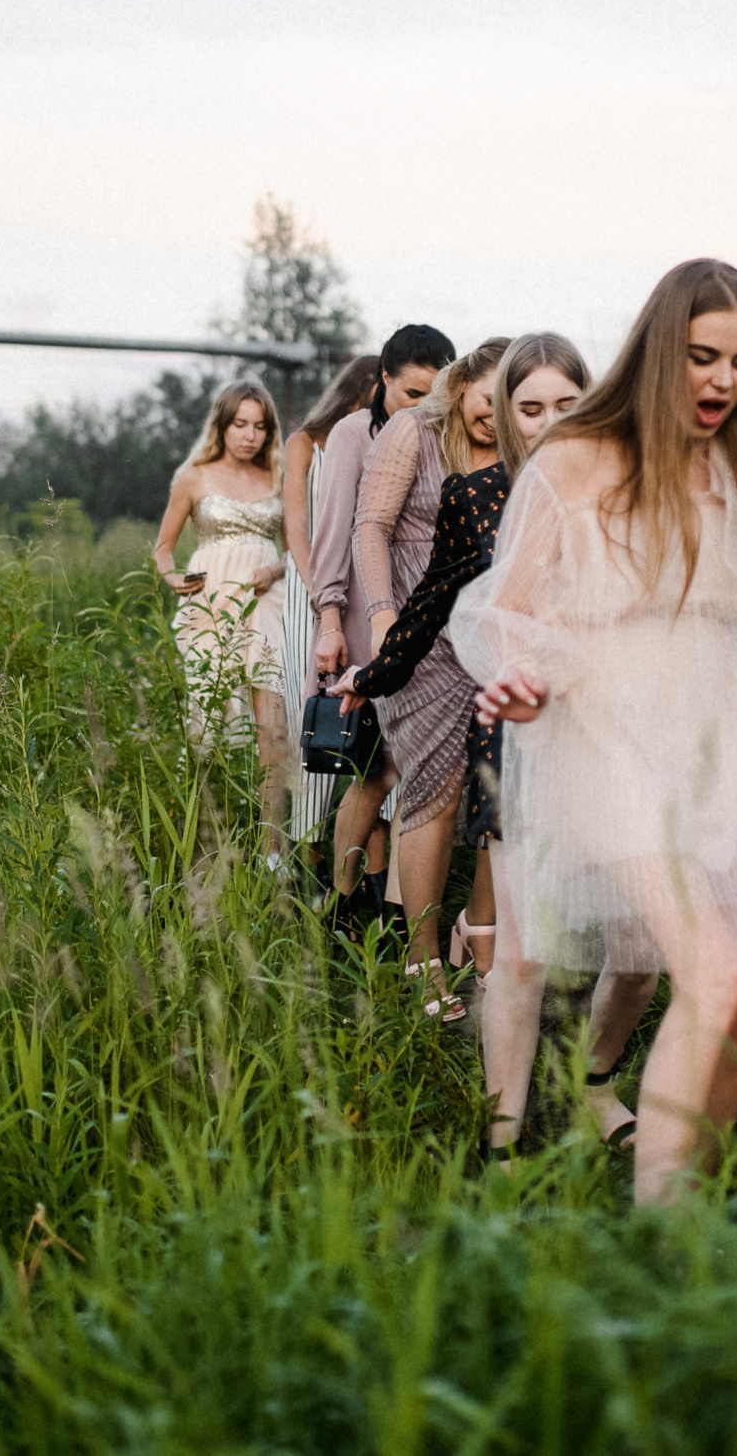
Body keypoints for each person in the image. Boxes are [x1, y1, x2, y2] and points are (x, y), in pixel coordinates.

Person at [453, 260, 737, 1203]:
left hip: (708, 756)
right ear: (661, 349)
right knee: (712, 978)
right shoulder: (579, 459)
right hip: (607, 751)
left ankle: (689, 1193)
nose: (722, 382)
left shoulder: (730, 466)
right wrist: (526, 684)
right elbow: (506, 611)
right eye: (703, 357)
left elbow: (733, 621)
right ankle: (666, 1234)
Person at [339, 332, 655, 1153]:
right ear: (507, 418)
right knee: (516, 954)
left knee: (636, 940)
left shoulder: (627, 493)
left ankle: (593, 1082)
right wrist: (370, 674)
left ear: (590, 403)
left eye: (565, 404)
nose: (550, 422)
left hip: (610, 736)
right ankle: (503, 1141)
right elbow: (437, 598)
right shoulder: (476, 496)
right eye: (530, 407)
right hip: (515, 737)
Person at [338, 336, 510, 1019]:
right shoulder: (415, 431)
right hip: (420, 627)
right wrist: (381, 616)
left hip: (495, 636)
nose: (495, 416)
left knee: (503, 791)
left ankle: (482, 930)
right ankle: (422, 960)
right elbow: (371, 526)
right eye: (485, 399)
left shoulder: (527, 449)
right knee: (433, 792)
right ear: (462, 384)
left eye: (511, 404)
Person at [307, 324, 455, 932]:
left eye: (436, 394)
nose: (424, 407)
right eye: (413, 394)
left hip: (426, 623)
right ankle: (342, 901)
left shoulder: (445, 436)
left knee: (413, 769)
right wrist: (330, 619)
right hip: (371, 623)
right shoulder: (352, 434)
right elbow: (340, 527)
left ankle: (392, 906)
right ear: (384, 380)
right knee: (374, 770)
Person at [151, 380, 292, 852]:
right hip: (211, 600)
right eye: (240, 424)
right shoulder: (194, 476)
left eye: (260, 426)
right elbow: (163, 549)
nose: (250, 435)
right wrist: (171, 578)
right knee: (209, 726)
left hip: (266, 601)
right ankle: (206, 845)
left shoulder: (278, 476)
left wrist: (272, 569)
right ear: (223, 425)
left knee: (272, 727)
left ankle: (273, 854)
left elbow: (296, 552)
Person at [280, 354, 382, 877]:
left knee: (370, 719)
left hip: (366, 590)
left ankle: (369, 871)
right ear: (360, 390)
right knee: (316, 715)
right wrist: (319, 594)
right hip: (312, 589)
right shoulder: (306, 444)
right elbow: (296, 524)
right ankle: (307, 853)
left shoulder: (384, 439)